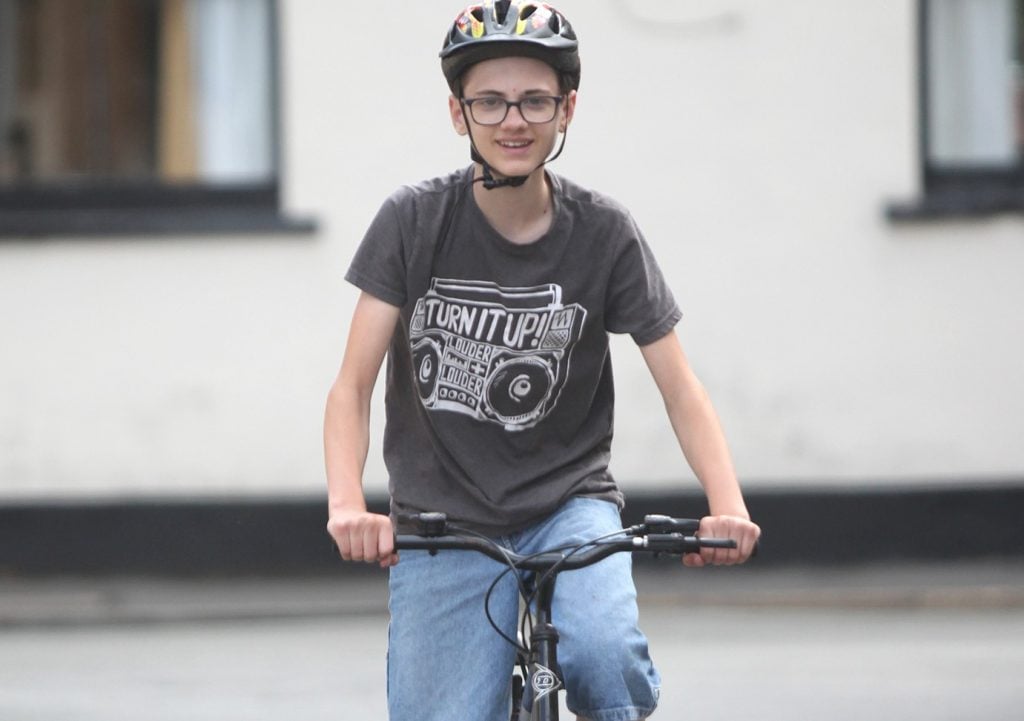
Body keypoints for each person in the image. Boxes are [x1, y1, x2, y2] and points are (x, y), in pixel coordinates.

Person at [324, 2, 761, 720]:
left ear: (567, 110)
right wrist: (347, 503)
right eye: (490, 101)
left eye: (535, 100)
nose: (514, 120)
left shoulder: (604, 233)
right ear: (459, 114)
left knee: (601, 657)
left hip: (568, 508)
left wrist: (727, 506)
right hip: (442, 522)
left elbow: (681, 387)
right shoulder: (412, 222)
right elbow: (352, 386)